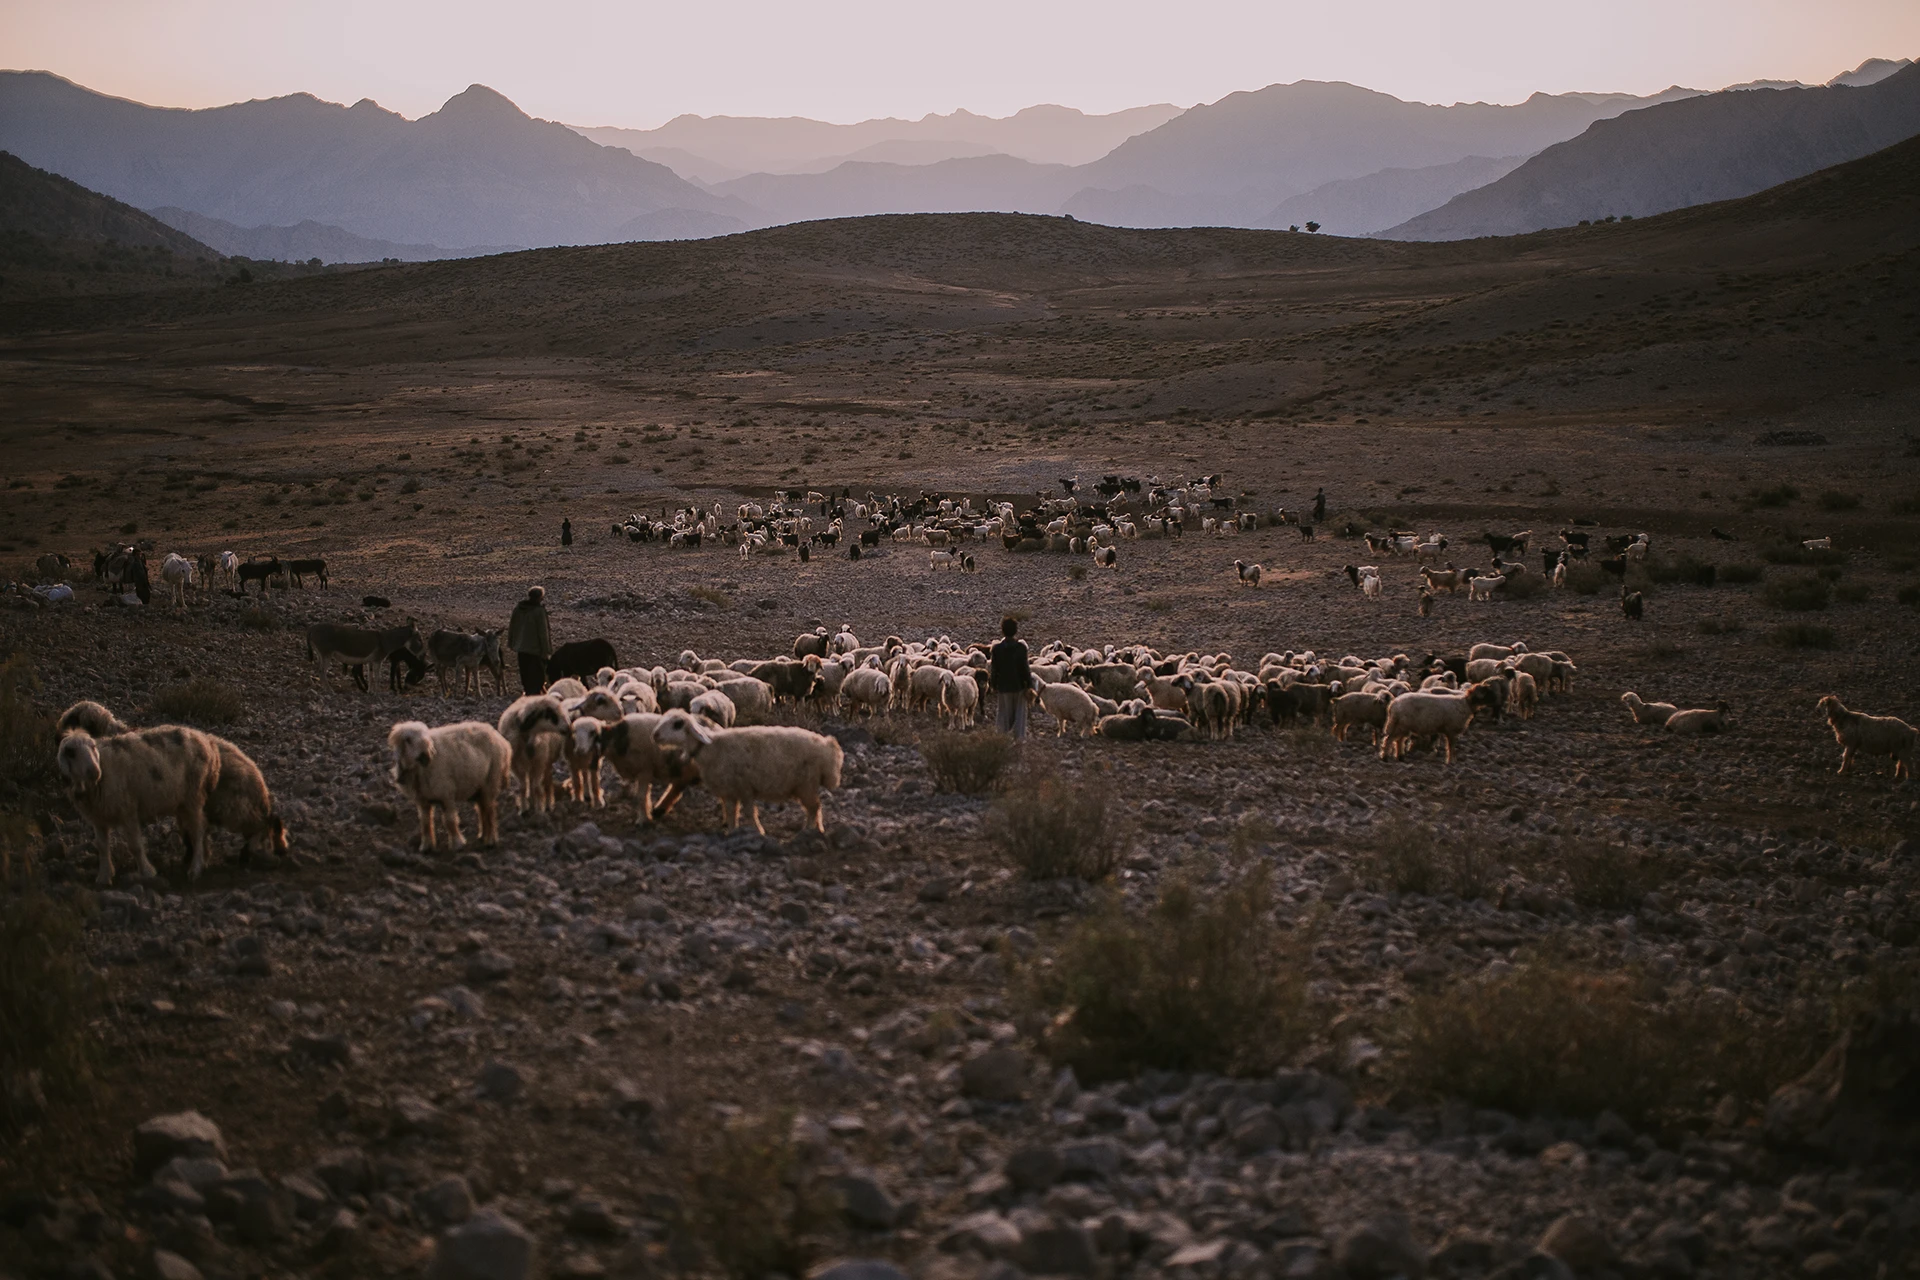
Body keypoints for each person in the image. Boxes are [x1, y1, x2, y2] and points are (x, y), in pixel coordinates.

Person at [989, 616, 1032, 740]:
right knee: (1020, 714)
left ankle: (1002, 739)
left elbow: (994, 669)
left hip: (1003, 687)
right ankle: (1019, 739)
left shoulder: (997, 649)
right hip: (1019, 686)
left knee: (1004, 714)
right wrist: (1028, 685)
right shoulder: (1021, 648)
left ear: (1002, 631)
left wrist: (993, 685)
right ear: (1016, 631)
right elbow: (1025, 668)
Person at [508, 586, 552, 694]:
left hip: (521, 648)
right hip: (535, 650)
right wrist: (546, 651)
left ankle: (528, 694)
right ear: (540, 597)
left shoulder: (519, 609)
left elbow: (512, 626)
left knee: (525, 675)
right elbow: (543, 633)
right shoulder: (539, 611)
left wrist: (511, 643)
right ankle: (534, 697)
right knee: (537, 677)